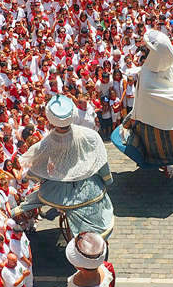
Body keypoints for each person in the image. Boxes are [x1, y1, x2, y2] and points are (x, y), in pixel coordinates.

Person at [114, 29, 173, 179]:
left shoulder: (151, 76)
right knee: (160, 147)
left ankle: (164, 166)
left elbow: (157, 84)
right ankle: (165, 167)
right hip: (151, 114)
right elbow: (150, 71)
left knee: (157, 147)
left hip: (148, 117)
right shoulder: (163, 67)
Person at [15, 95, 115, 240]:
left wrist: (35, 178)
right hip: (88, 183)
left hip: (61, 186)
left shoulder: (47, 142)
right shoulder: (90, 134)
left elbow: (38, 168)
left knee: (33, 200)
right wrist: (107, 179)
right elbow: (101, 160)